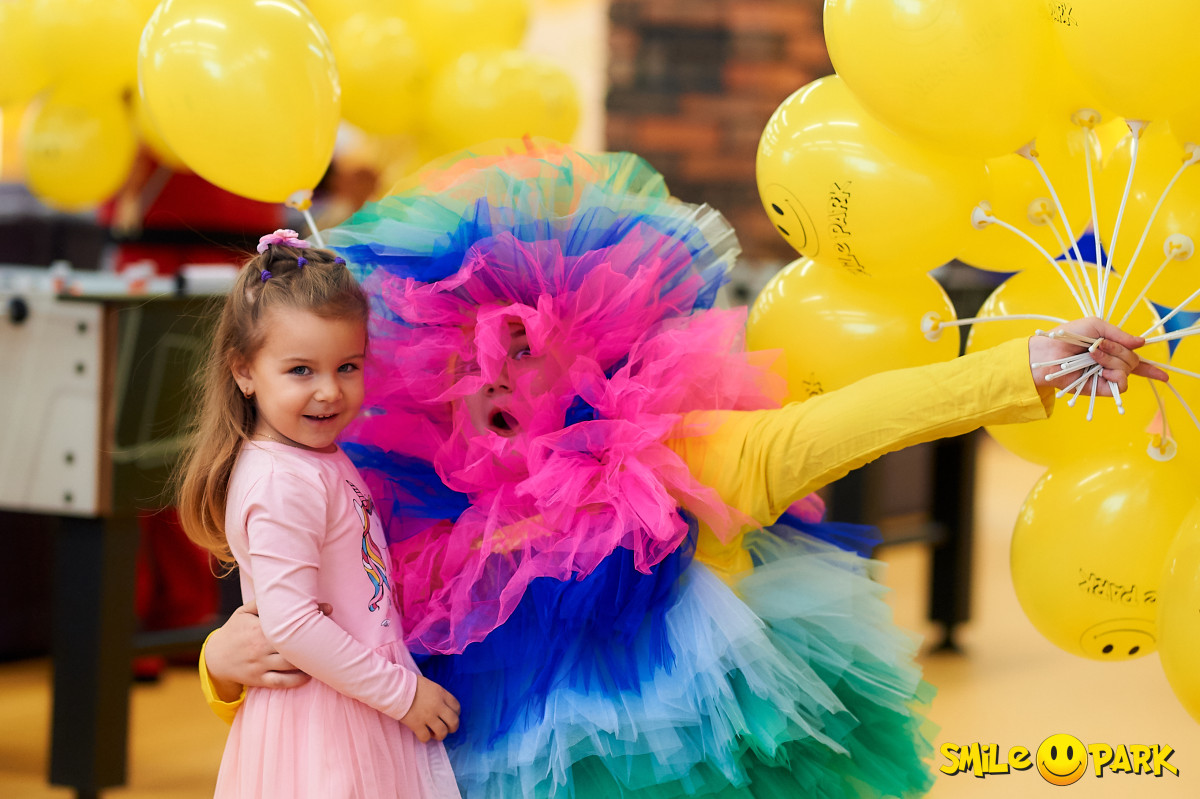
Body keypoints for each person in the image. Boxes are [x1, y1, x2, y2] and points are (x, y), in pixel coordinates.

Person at [199, 142, 1165, 799]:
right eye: (465, 354)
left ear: (585, 349)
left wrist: (1025, 368)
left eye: (520, 347)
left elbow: (849, 423)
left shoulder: (676, 456)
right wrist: (218, 667)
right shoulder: (406, 492)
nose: (489, 375)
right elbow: (313, 620)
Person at [175, 230, 462, 799]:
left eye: (347, 366)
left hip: (352, 697)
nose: (329, 391)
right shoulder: (281, 480)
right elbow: (293, 626)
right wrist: (404, 696)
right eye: (301, 370)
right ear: (244, 372)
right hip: (326, 719)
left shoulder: (312, 458)